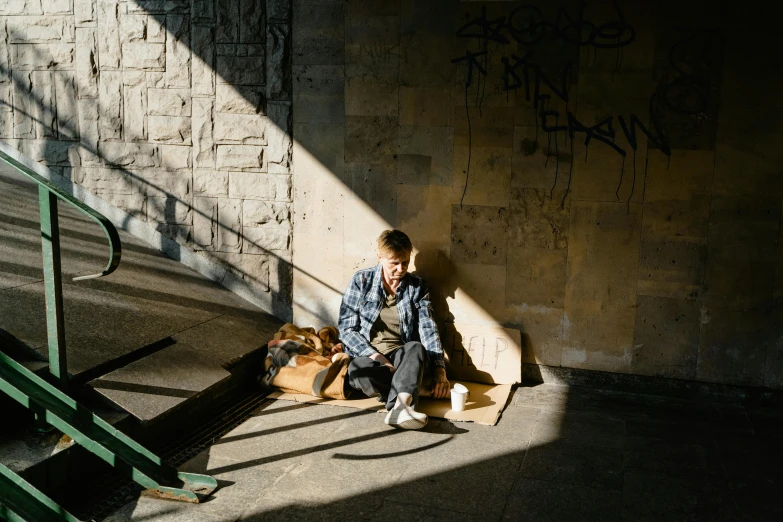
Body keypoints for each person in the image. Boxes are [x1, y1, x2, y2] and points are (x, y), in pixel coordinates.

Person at [338, 229, 450, 430]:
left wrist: (440, 368)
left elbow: (428, 329)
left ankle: (401, 407)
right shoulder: (361, 280)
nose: (401, 269)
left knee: (416, 348)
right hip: (370, 356)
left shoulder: (417, 287)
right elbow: (347, 329)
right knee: (357, 372)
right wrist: (377, 358)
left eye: (405, 262)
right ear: (379, 257)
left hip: (402, 356)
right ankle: (408, 389)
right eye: (394, 263)